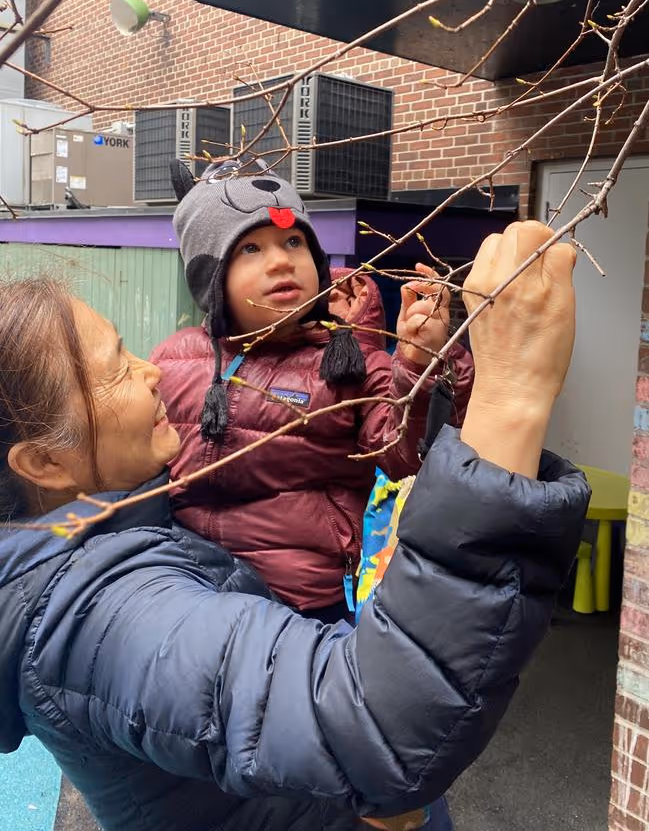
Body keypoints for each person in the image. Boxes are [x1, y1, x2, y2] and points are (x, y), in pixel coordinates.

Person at [0, 221, 589, 831]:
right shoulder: (102, 618)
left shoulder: (119, 527)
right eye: (117, 368)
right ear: (43, 462)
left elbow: (393, 444)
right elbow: (375, 726)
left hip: (307, 636)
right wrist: (512, 395)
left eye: (293, 243)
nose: (146, 371)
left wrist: (406, 359)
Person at [151, 158, 474, 621]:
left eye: (293, 241)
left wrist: (420, 365)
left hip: (302, 604)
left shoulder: (345, 362)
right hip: (188, 589)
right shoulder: (171, 358)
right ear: (211, 277)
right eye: (250, 249)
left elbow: (405, 452)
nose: (281, 259)